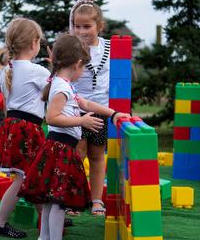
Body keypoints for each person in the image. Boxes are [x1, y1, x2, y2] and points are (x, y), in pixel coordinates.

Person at [19, 34, 130, 240]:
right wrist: (82, 122)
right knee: (59, 203)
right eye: (83, 68)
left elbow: (86, 104)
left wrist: (113, 114)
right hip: (60, 149)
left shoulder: (63, 83)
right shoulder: (61, 87)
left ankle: (44, 237)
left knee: (53, 201)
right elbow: (51, 118)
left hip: (60, 148)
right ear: (78, 64)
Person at [0, 17, 50, 238]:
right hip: (27, 129)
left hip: (12, 127)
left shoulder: (6, 71)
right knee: (25, 178)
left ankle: (47, 217)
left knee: (31, 175)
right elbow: (59, 91)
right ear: (34, 43)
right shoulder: (38, 71)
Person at [68, 0, 113, 215]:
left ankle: (97, 200)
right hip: (75, 111)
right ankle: (75, 199)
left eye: (87, 27)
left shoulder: (110, 48)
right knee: (78, 155)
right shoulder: (72, 47)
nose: (81, 31)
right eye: (77, 26)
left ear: (99, 26)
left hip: (100, 111)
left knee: (97, 156)